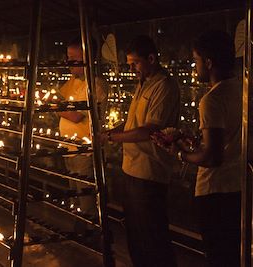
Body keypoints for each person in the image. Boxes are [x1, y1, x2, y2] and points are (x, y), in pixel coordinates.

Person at [102, 35, 180, 267]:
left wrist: (110, 137)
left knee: (152, 236)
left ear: (152, 58)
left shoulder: (164, 86)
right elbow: (132, 124)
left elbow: (148, 130)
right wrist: (112, 130)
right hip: (132, 169)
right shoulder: (142, 83)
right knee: (136, 234)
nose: (131, 68)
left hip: (149, 172)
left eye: (135, 63)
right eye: (129, 64)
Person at [173, 30, 241, 267]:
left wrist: (181, 154)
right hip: (240, 186)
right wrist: (196, 143)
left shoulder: (211, 100)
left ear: (209, 62)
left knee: (217, 255)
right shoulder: (243, 89)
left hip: (215, 190)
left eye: (196, 60)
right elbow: (228, 140)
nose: (195, 66)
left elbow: (213, 157)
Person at [58, 37, 108, 222]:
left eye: (73, 57)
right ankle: (81, 232)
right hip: (70, 149)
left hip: (84, 152)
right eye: (68, 57)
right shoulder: (74, 81)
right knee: (75, 197)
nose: (68, 62)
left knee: (86, 199)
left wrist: (56, 107)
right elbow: (62, 104)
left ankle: (92, 236)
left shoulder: (95, 84)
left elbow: (76, 115)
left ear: (87, 58)